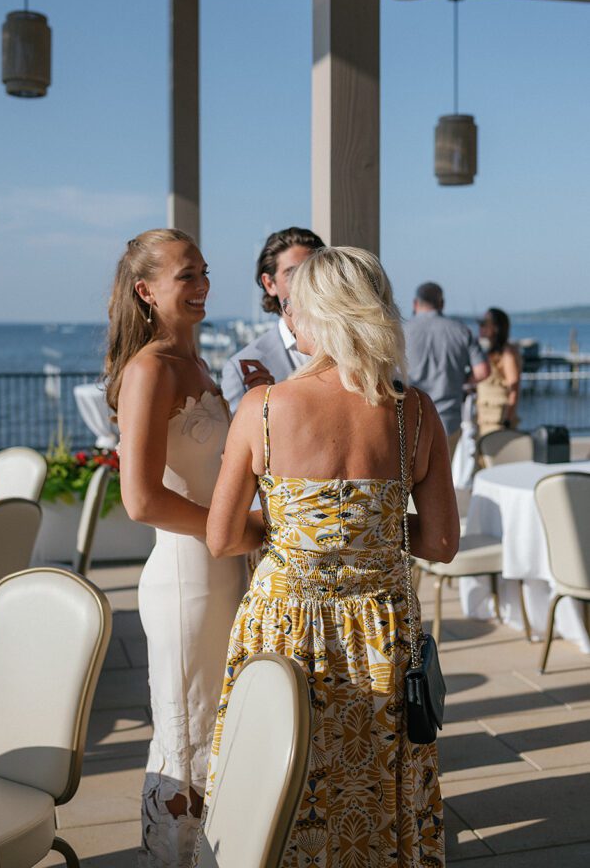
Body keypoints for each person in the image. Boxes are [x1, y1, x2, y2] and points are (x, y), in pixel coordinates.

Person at [197, 247, 459, 868]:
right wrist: (370, 528)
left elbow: (222, 537)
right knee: (376, 781)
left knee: (280, 786)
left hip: (285, 624)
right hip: (380, 629)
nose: (288, 319)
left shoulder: (263, 408)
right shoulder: (416, 413)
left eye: (294, 307)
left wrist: (301, 530)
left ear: (317, 314)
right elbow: (441, 543)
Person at [105, 229, 259, 868]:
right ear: (146, 291)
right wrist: (239, 530)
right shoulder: (150, 370)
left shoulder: (197, 366)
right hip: (186, 582)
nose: (201, 286)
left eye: (203, 272)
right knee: (188, 740)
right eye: (185, 276)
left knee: (222, 732)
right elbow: (141, 500)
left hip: (227, 573)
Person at [221, 226, 325, 413]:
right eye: (293, 273)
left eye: (310, 271)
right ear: (269, 284)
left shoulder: (349, 348)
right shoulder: (243, 367)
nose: (304, 282)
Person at [404, 281, 489, 459]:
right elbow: (482, 371)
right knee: (443, 472)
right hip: (447, 420)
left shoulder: (401, 330)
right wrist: (460, 380)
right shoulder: (461, 331)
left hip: (408, 418)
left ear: (415, 303)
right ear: (441, 303)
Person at [476, 307, 522, 436]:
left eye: (484, 324)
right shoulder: (490, 353)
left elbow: (514, 387)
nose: (480, 328)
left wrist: (508, 419)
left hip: (498, 419)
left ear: (496, 328)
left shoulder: (507, 354)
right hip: (484, 418)